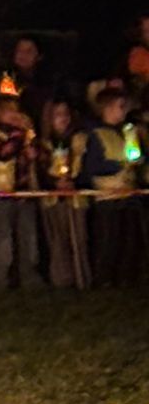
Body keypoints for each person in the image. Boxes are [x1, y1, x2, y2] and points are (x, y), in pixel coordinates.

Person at [79, 86, 146, 286]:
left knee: (129, 240)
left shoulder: (128, 131)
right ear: (107, 108)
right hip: (107, 196)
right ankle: (104, 279)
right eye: (120, 106)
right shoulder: (96, 135)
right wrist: (119, 165)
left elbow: (136, 155)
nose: (124, 111)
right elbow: (92, 167)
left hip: (129, 193)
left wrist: (138, 162)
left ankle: (126, 278)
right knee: (109, 240)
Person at [0, 91, 40, 289]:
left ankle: (28, 277)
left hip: (25, 192)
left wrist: (33, 151)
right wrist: (18, 135)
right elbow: (3, 153)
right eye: (9, 111)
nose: (14, 115)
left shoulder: (25, 135)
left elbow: (35, 156)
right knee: (1, 237)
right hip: (2, 192)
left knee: (28, 237)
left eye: (17, 111)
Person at [36, 97, 89, 288]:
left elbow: (84, 165)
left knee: (79, 238)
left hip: (75, 196)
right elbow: (40, 169)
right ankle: (61, 281)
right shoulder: (44, 144)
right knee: (59, 240)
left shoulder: (79, 139)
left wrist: (73, 181)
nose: (63, 119)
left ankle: (82, 278)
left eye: (65, 114)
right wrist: (55, 182)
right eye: (58, 115)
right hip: (53, 198)